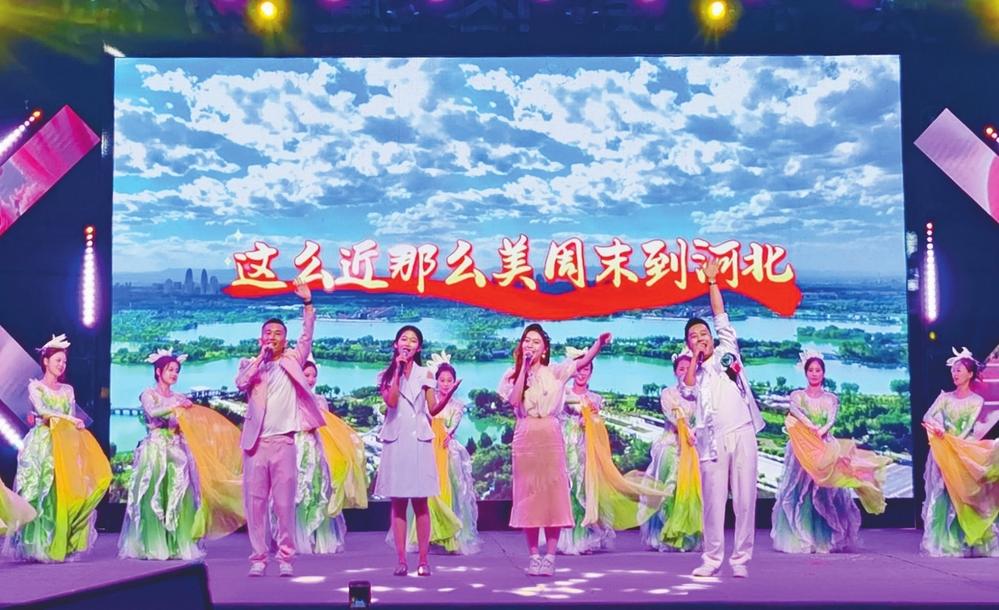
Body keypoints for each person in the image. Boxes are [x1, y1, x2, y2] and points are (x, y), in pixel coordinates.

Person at [499, 324, 611, 577]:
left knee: (552, 495)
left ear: (544, 348)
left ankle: (550, 556)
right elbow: (514, 400)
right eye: (527, 340)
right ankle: (533, 556)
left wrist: (598, 344)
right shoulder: (511, 374)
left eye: (536, 342)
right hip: (525, 434)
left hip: (550, 434)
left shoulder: (556, 372)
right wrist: (523, 369)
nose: (530, 345)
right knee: (529, 496)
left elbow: (582, 362)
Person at [680, 258, 765, 578]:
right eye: (694, 336)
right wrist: (694, 359)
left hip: (742, 431)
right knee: (714, 503)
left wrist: (712, 282)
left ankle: (741, 559)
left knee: (745, 499)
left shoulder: (727, 350)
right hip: (711, 442)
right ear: (688, 344)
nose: (701, 337)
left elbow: (720, 314)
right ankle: (712, 559)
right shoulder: (694, 370)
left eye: (704, 333)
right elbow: (687, 389)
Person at [235, 280, 326, 577]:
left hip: (284, 442)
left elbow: (307, 336)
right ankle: (258, 557)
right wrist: (259, 359)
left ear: (285, 340)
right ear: (260, 337)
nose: (272, 337)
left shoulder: (293, 359)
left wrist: (308, 303)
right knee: (255, 504)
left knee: (284, 505)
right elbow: (241, 383)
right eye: (268, 333)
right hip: (256, 445)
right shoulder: (250, 364)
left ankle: (285, 556)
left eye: (278, 334)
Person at [771, 350, 890, 554]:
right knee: (801, 491)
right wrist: (810, 427)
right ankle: (802, 536)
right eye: (811, 370)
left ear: (823, 373)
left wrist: (821, 431)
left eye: (818, 370)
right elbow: (796, 413)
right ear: (805, 372)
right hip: (802, 448)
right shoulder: (797, 396)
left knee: (824, 492)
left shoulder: (830, 398)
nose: (814, 373)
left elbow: (831, 419)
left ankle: (824, 538)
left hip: (825, 447)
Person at [14, 334, 111, 562]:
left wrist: (73, 426)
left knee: (65, 492)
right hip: (43, 444)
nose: (62, 365)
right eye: (58, 360)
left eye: (64, 361)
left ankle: (60, 542)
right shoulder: (36, 387)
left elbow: (70, 415)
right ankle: (38, 545)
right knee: (40, 491)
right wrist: (69, 419)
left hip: (65, 443)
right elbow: (43, 411)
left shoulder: (67, 389)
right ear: (46, 361)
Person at [376, 327, 462, 576]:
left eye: (413, 340)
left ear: (419, 347)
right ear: (396, 344)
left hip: (419, 440)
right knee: (398, 503)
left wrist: (448, 395)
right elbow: (392, 402)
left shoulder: (426, 373)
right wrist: (397, 370)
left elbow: (432, 409)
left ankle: (424, 560)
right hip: (396, 440)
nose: (408, 343)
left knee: (421, 502)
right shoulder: (385, 375)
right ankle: (401, 560)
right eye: (404, 339)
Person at [119, 350, 203, 560]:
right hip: (155, 450)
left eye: (176, 371)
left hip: (176, 450)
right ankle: (153, 545)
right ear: (158, 371)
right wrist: (176, 407)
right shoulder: (149, 394)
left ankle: (176, 544)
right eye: (170, 370)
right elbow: (153, 412)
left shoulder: (179, 397)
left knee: (178, 495)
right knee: (153, 497)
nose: (174, 374)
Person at [397, 353, 481, 555]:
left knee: (447, 492)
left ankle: (448, 536)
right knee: (426, 495)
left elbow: (450, 429)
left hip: (446, 452)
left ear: (454, 382)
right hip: (429, 449)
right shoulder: (429, 403)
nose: (445, 384)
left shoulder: (458, 406)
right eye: (442, 380)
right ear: (436, 382)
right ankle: (426, 536)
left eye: (449, 381)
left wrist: (446, 435)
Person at [921, 347, 999, 557]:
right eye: (953, 370)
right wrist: (938, 428)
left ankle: (967, 539)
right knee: (943, 494)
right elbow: (928, 416)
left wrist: (951, 441)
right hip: (943, 450)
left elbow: (967, 428)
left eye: (959, 370)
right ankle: (946, 542)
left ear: (970, 374)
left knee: (964, 495)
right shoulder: (944, 398)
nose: (954, 373)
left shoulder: (976, 400)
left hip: (961, 450)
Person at [289, 360, 367, 554]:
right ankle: (298, 538)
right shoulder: (290, 398)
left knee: (318, 489)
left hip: (317, 447)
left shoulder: (320, 400)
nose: (311, 379)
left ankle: (319, 538)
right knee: (299, 491)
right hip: (297, 448)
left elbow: (329, 428)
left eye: (314, 375)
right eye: (307, 375)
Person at [640, 351, 703, 552]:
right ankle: (662, 535)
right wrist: (687, 431)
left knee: (689, 492)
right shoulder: (668, 394)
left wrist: (694, 432)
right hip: (671, 445)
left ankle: (683, 535)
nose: (685, 372)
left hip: (692, 447)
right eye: (681, 369)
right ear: (675, 372)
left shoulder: (700, 395)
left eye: (689, 368)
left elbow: (705, 418)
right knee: (668, 488)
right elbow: (673, 417)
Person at [559, 349, 614, 555]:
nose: (582, 373)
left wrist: (591, 419)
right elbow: (558, 418)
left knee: (586, 489)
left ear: (591, 373)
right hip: (567, 446)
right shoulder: (564, 394)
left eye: (586, 369)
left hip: (587, 447)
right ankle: (568, 539)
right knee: (570, 488)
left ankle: (586, 538)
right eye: (579, 369)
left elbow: (599, 425)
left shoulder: (595, 399)